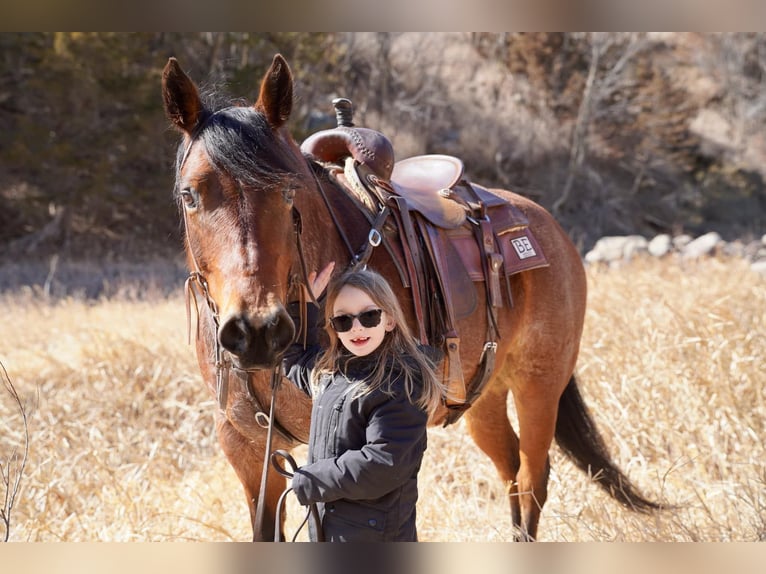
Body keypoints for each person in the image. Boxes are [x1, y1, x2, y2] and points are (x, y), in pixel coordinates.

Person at [282, 263, 444, 542]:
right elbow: (294, 359)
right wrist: (304, 306)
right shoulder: (330, 374)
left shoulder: (399, 385)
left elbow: (382, 464)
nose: (357, 328)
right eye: (343, 320)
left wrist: (312, 479)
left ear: (389, 320)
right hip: (329, 530)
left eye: (369, 316)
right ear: (333, 327)